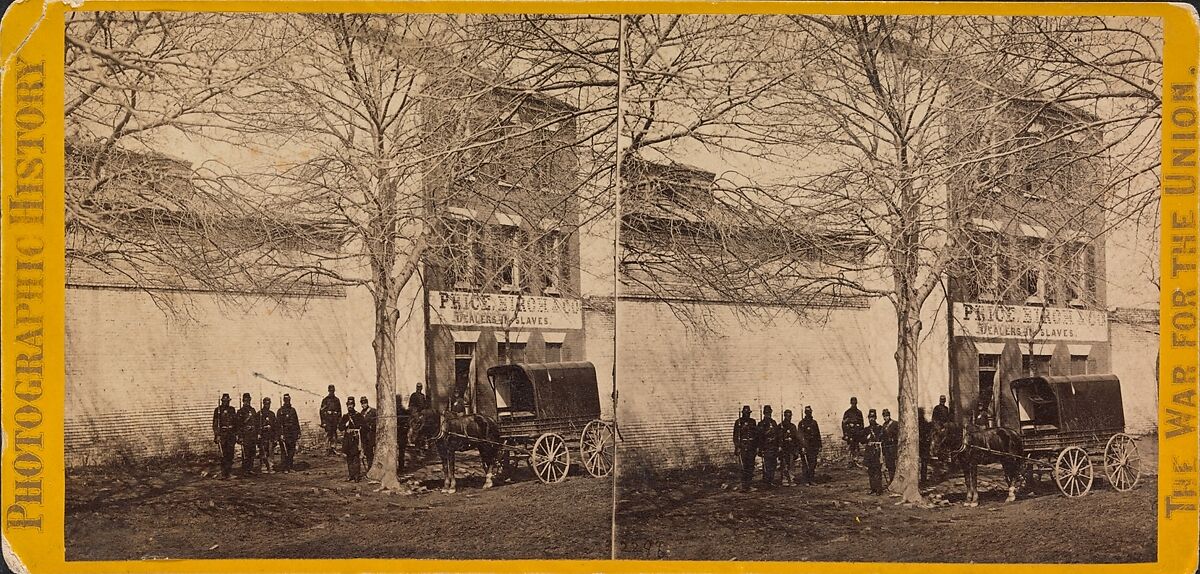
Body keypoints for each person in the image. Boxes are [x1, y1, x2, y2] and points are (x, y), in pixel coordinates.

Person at [339, 396, 366, 481]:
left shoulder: (358, 415)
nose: (349, 406)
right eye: (348, 405)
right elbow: (340, 428)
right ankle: (351, 475)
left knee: (356, 457)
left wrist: (358, 431)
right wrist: (345, 425)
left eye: (351, 404)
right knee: (349, 457)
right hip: (347, 439)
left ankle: (357, 476)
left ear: (354, 405)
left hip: (355, 438)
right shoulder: (345, 416)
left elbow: (365, 426)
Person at [211, 393, 238, 479]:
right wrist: (217, 435)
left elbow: (235, 422)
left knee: (230, 454)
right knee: (223, 454)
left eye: (227, 401)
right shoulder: (218, 411)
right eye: (224, 401)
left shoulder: (232, 410)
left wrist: (236, 434)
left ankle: (229, 472)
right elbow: (215, 424)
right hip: (223, 434)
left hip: (231, 434)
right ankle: (223, 473)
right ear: (222, 401)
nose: (226, 403)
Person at [732, 405, 758, 491]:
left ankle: (749, 484)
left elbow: (756, 435)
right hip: (743, 446)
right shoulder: (738, 422)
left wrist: (756, 447)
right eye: (745, 413)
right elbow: (735, 436)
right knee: (743, 467)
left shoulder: (753, 422)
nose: (747, 415)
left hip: (751, 447)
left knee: (750, 466)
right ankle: (744, 485)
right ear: (743, 413)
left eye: (748, 413)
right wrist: (737, 446)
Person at [861, 409, 886, 495]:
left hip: (876, 451)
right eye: (870, 417)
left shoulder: (879, 428)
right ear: (868, 418)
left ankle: (879, 489)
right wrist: (866, 438)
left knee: (877, 470)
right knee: (870, 470)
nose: (871, 419)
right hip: (869, 451)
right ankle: (873, 488)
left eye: (873, 417)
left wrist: (878, 442)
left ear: (875, 418)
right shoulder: (866, 429)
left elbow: (883, 438)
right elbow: (862, 440)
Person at [236, 393, 259, 476]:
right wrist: (240, 436)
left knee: (252, 453)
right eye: (246, 400)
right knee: (246, 453)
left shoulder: (253, 410)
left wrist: (257, 433)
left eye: (249, 400)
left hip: (253, 435)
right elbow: (238, 425)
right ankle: (245, 470)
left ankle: (250, 469)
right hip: (245, 435)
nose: (247, 402)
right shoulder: (240, 412)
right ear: (243, 401)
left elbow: (256, 423)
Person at [798, 405, 822, 484]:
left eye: (810, 412)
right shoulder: (801, 423)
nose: (809, 413)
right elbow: (800, 436)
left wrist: (820, 445)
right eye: (807, 412)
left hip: (813, 446)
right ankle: (806, 480)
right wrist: (802, 447)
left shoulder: (814, 422)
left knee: (813, 463)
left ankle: (811, 479)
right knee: (805, 464)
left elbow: (817, 434)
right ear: (805, 413)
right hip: (806, 446)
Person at [757, 405, 779, 487]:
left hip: (773, 447)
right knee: (767, 464)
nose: (768, 415)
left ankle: (771, 480)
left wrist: (778, 445)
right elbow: (759, 437)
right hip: (766, 447)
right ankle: (766, 481)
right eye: (766, 413)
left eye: (769, 413)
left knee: (773, 464)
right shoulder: (761, 424)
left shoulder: (773, 423)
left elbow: (777, 435)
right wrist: (760, 448)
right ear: (763, 413)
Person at [277, 393, 300, 472]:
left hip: (292, 433)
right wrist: (281, 434)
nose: (287, 401)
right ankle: (285, 468)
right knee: (284, 451)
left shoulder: (293, 410)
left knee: (291, 451)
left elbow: (296, 422)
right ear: (284, 400)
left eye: (289, 400)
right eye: (286, 400)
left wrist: (298, 432)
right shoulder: (280, 411)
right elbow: (278, 424)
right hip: (285, 433)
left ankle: (290, 466)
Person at [777, 409, 799, 487]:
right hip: (784, 448)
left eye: (790, 416)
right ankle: (785, 479)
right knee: (784, 464)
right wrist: (780, 446)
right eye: (787, 416)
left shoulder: (793, 426)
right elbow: (778, 438)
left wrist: (796, 448)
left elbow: (796, 438)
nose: (788, 418)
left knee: (791, 464)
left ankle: (792, 479)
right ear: (784, 416)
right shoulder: (780, 426)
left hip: (791, 448)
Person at [842, 397, 864, 467]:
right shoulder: (847, 412)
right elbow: (843, 423)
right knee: (850, 447)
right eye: (852, 403)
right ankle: (850, 461)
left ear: (856, 403)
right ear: (850, 403)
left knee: (856, 446)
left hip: (857, 433)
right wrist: (845, 433)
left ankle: (856, 461)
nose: (854, 404)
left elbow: (862, 424)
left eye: (855, 403)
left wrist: (861, 432)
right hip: (850, 433)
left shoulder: (859, 412)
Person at [320, 384, 342, 455]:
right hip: (328, 420)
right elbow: (321, 411)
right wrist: (323, 422)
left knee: (334, 434)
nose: (331, 392)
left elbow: (339, 412)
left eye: (332, 391)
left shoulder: (337, 400)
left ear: (334, 391)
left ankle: (333, 448)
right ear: (328, 391)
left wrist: (339, 421)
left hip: (334, 420)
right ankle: (327, 449)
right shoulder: (325, 400)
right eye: (330, 391)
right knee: (328, 434)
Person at [258, 397, 278, 474]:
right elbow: (257, 425)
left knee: (270, 452)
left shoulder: (272, 414)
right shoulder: (259, 414)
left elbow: (275, 426)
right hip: (263, 436)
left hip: (270, 436)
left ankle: (271, 467)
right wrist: (259, 433)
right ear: (263, 404)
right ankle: (263, 467)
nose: (267, 405)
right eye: (266, 403)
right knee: (263, 452)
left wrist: (275, 436)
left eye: (269, 403)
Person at [881, 408, 899, 485]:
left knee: (894, 465)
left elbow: (898, 434)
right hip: (887, 447)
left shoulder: (895, 423)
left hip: (893, 446)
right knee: (889, 465)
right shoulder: (884, 425)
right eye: (884, 416)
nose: (885, 418)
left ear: (889, 415)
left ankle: (894, 480)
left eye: (887, 416)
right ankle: (891, 480)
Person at [360, 396, 377, 470]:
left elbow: (377, 422)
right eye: (362, 403)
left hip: (371, 435)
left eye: (365, 403)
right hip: (364, 435)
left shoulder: (373, 411)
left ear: (367, 403)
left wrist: (371, 426)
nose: (363, 405)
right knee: (367, 452)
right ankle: (369, 467)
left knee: (371, 452)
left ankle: (372, 467)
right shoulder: (361, 413)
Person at [917, 406, 932, 484]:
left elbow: (928, 433)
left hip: (924, 445)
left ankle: (923, 478)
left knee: (924, 462)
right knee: (921, 462)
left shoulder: (925, 422)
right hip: (919, 444)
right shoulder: (916, 423)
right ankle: (922, 478)